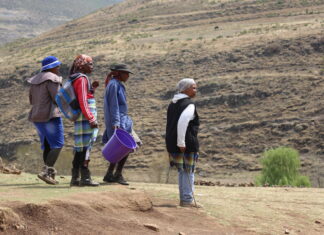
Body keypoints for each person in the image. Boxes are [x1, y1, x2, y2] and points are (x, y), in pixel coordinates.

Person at [28, 56, 64, 185]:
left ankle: (49, 174)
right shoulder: (52, 78)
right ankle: (46, 172)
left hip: (37, 116)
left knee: (48, 144)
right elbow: (57, 98)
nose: (59, 68)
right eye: (57, 66)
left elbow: (31, 100)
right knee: (58, 144)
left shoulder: (35, 80)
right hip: (50, 116)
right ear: (52, 67)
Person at [165, 78, 200, 207]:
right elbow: (183, 123)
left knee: (182, 170)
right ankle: (187, 199)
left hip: (172, 141)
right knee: (188, 170)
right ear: (186, 89)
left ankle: (184, 198)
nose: (195, 90)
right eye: (194, 87)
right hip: (185, 143)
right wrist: (182, 143)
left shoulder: (173, 103)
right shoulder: (189, 104)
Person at [69, 54, 99, 187]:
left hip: (82, 117)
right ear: (82, 65)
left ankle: (75, 178)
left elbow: (84, 96)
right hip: (85, 117)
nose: (92, 66)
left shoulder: (78, 78)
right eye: (90, 63)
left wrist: (92, 89)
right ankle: (85, 178)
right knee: (85, 147)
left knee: (81, 147)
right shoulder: (81, 79)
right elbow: (83, 101)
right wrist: (91, 118)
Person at [102, 64, 134, 185]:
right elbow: (114, 105)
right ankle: (116, 174)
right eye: (126, 73)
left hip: (122, 120)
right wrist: (116, 122)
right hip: (119, 121)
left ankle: (111, 173)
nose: (128, 76)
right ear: (119, 73)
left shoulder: (116, 84)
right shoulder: (114, 85)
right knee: (126, 147)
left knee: (121, 147)